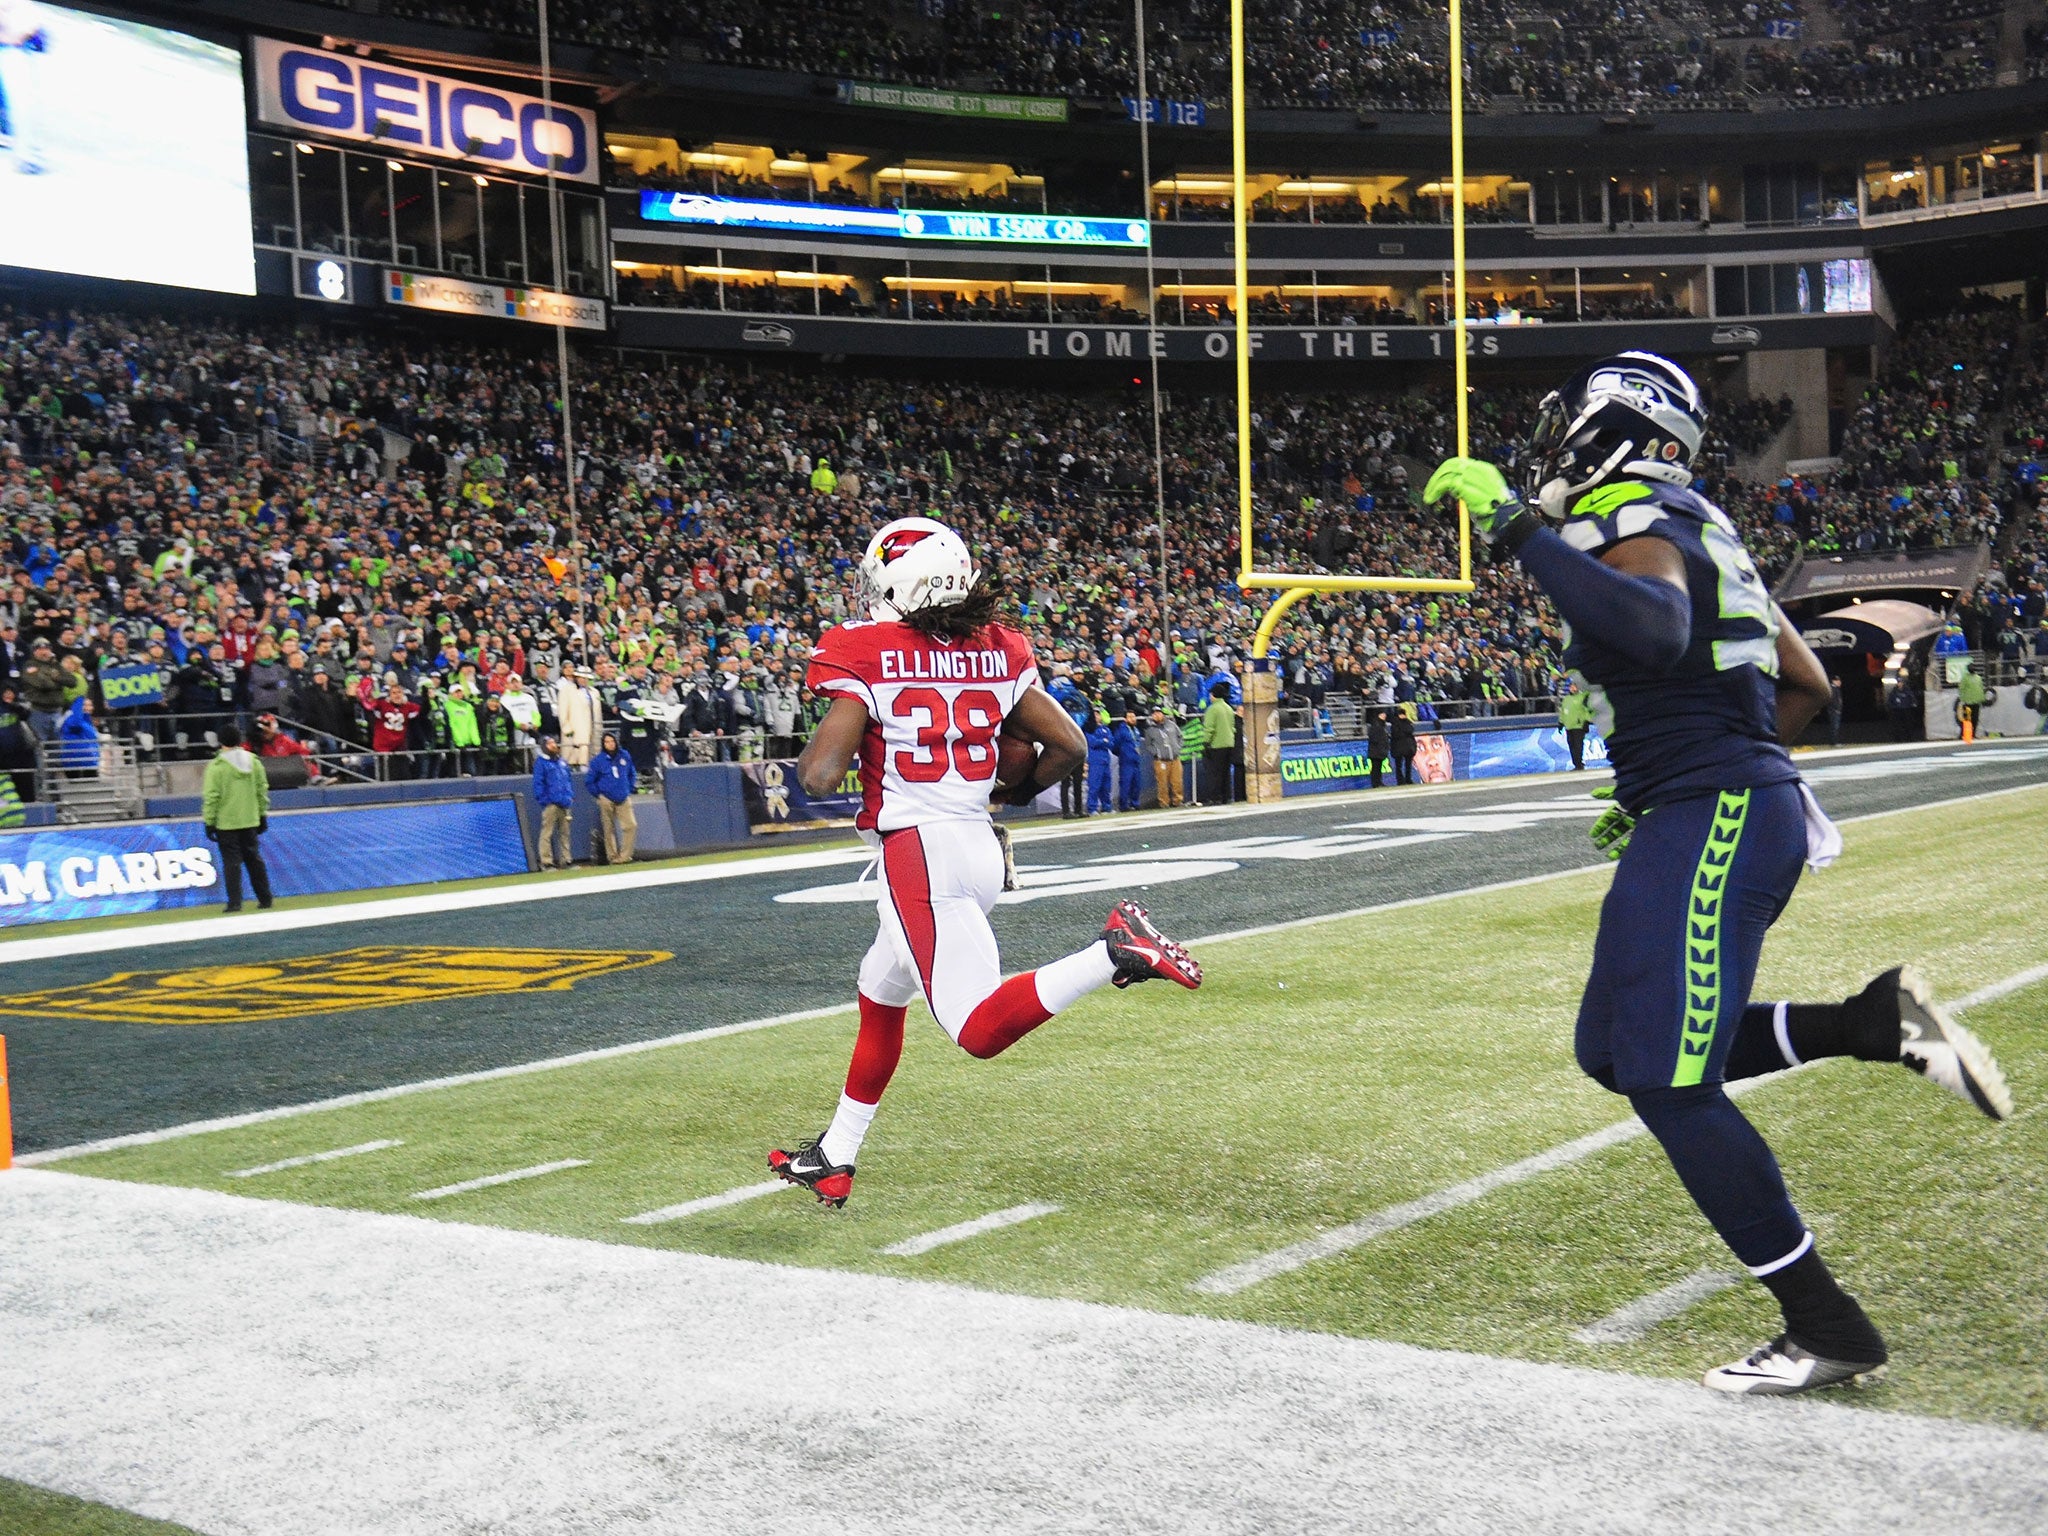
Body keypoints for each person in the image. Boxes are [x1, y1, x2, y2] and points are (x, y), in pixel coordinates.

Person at [1427, 351, 2012, 1397]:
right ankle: (1867, 1024)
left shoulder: (1619, 509)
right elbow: (1802, 679)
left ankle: (1824, 1325)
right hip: (1713, 803)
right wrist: (1668, 778)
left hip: (1715, 810)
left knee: (1665, 1076)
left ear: (1610, 427)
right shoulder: (1697, 519)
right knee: (1612, 1049)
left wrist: (1515, 528)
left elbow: (1652, 630)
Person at [770, 516, 1202, 1207]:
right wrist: (1006, 789)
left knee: (976, 1030)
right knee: (879, 990)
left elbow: (819, 776)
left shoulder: (865, 650)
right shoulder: (996, 648)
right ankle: (835, 1153)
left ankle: (1113, 949)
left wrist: (858, 729)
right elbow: (1067, 748)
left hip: (919, 851)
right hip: (976, 843)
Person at [202, 724, 272, 913]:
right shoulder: (253, 761)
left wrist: (209, 822)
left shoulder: (216, 767)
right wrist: (261, 813)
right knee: (254, 859)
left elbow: (212, 797)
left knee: (232, 862)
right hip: (249, 819)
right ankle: (265, 898)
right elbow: (261, 789)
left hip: (227, 822)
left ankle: (235, 902)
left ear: (220, 741)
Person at [586, 728, 637, 865]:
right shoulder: (598, 761)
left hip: (623, 796)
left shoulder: (624, 755)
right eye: (606, 742)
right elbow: (590, 781)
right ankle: (613, 856)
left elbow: (632, 773)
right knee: (608, 828)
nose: (610, 744)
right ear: (603, 744)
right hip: (606, 798)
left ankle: (625, 856)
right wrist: (599, 794)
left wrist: (629, 787)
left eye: (612, 741)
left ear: (616, 742)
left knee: (631, 825)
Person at [531, 733, 574, 871]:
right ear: (544, 747)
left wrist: (569, 796)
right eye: (549, 744)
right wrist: (545, 800)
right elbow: (538, 784)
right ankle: (546, 861)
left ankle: (566, 860)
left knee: (565, 833)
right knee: (547, 833)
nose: (553, 745)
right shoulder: (541, 763)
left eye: (554, 743)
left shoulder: (562, 762)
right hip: (551, 803)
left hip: (565, 802)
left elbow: (568, 780)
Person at [1201, 682, 1236, 805]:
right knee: (1226, 772)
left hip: (1217, 745)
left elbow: (1209, 728)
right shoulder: (1229, 708)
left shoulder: (1213, 709)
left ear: (1214, 695)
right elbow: (1233, 727)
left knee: (1215, 773)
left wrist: (1205, 743)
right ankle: (1226, 797)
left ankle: (1215, 797)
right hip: (1229, 743)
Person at [1143, 708, 1182, 807]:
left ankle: (1177, 801)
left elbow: (1180, 736)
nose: (1156, 715)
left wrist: (1177, 748)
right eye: (1154, 714)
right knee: (1162, 783)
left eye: (1158, 713)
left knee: (1177, 781)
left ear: (1162, 714)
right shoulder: (1150, 730)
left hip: (1174, 758)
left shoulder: (1172, 725)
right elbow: (1148, 745)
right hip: (1161, 761)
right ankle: (1164, 803)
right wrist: (1157, 753)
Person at [1557, 683, 1594, 770]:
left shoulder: (1582, 698)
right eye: (1571, 687)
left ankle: (1579, 764)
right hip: (1569, 726)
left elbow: (1588, 711)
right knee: (1571, 745)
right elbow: (1563, 711)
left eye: (1574, 686)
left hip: (1578, 725)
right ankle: (1576, 763)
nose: (1573, 688)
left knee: (1578, 745)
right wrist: (1561, 723)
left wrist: (1587, 721)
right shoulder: (1566, 699)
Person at [1955, 659, 1985, 741]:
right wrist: (1962, 699)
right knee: (1967, 719)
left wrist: (1982, 699)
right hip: (1968, 701)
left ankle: (1973, 734)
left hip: (1976, 701)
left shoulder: (1978, 678)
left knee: (1975, 719)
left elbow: (1980, 689)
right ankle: (1965, 734)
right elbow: (1961, 688)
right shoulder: (1965, 678)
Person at [1390, 709, 1418, 785]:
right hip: (1399, 747)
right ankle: (1400, 780)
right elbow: (1396, 734)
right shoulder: (1395, 724)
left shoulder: (1408, 722)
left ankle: (1408, 779)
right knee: (1399, 765)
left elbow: (1410, 731)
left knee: (1408, 765)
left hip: (1408, 747)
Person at [1366, 708, 1391, 789]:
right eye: (1382, 714)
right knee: (1375, 768)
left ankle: (1378, 782)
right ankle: (1375, 783)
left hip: (1379, 750)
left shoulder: (1381, 725)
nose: (1384, 716)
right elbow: (1374, 738)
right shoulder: (1376, 725)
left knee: (1378, 768)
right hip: (1376, 750)